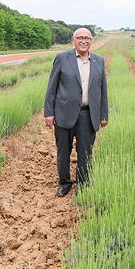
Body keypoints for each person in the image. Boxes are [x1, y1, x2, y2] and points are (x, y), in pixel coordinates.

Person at [44, 28, 109, 197]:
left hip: (88, 115)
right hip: (64, 113)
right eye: (80, 38)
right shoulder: (62, 58)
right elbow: (52, 88)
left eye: (87, 38)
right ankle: (64, 183)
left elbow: (102, 90)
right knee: (63, 152)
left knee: (85, 153)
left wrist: (103, 114)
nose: (83, 41)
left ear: (91, 41)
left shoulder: (98, 61)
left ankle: (82, 183)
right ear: (73, 40)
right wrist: (49, 113)